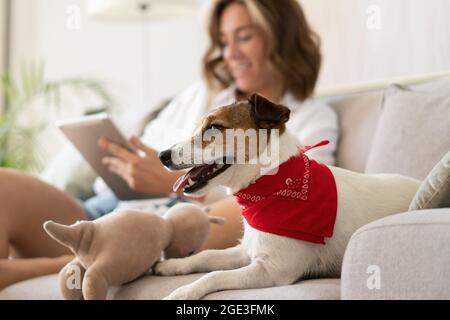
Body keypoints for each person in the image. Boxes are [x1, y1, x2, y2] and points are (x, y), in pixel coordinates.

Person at [0, 0, 338, 289]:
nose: (229, 53)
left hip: (155, 233)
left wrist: (176, 185)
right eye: (223, 41)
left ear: (281, 37)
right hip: (103, 208)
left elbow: (289, 204)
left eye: (244, 37)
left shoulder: (310, 118)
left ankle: (68, 259)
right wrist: (126, 165)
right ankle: (82, 249)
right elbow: (146, 150)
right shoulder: (201, 96)